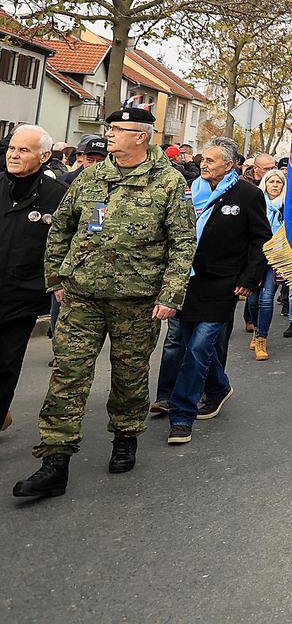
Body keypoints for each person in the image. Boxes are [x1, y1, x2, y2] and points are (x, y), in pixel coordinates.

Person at [12, 106, 193, 499]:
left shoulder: (168, 182)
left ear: (141, 136)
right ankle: (55, 460)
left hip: (137, 300)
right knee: (68, 375)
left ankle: (125, 437)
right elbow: (62, 226)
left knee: (129, 375)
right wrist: (57, 277)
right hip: (82, 296)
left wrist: (170, 295)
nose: (109, 134)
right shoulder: (92, 176)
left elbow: (182, 243)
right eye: (109, 128)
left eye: (118, 129)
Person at [165, 138, 270, 447]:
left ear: (229, 165)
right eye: (203, 160)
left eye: (212, 160)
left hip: (223, 283)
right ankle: (219, 387)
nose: (204, 164)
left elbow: (260, 239)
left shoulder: (247, 195)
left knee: (199, 347)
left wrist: (250, 278)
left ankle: (181, 414)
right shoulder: (189, 190)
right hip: (187, 281)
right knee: (188, 344)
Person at [1, 126, 67, 434]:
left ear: (45, 157)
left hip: (22, 295)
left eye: (23, 150)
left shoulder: (59, 196)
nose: (14, 155)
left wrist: (61, 279)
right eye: (12, 148)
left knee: (6, 365)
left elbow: (78, 238)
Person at [249, 168, 287, 360]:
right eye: (271, 181)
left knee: (267, 298)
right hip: (255, 257)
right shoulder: (255, 203)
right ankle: (255, 329)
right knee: (253, 299)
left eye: (278, 182)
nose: (274, 185)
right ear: (265, 183)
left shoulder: (287, 207)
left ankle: (262, 338)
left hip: (276, 257)